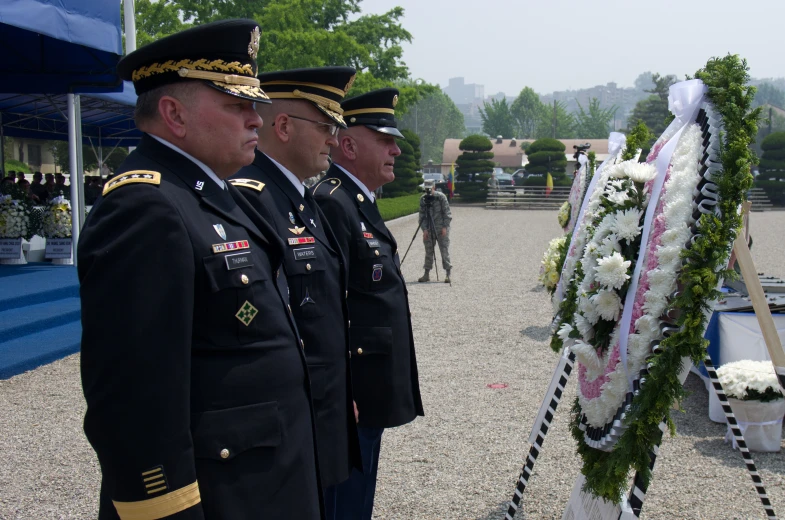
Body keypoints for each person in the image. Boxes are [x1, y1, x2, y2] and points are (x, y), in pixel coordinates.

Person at [77, 20, 323, 520]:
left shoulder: (207, 195)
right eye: (237, 105)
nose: (256, 119)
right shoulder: (147, 208)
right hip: (219, 497)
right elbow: (132, 399)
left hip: (260, 483)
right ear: (174, 113)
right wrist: (165, 508)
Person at [229, 66, 362, 514]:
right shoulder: (255, 197)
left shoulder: (298, 198)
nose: (333, 138)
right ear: (283, 127)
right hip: (292, 420)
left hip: (320, 409)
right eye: (325, 125)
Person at [311, 88, 424, 520]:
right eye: (384, 139)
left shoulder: (356, 201)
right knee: (343, 503)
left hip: (367, 385)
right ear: (349, 143)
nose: (396, 148)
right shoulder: (332, 203)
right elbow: (324, 305)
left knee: (357, 500)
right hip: (354, 387)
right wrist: (341, 387)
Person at [417, 179, 452, 283]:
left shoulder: (441, 197)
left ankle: (448, 274)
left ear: (434, 187)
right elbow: (421, 216)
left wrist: (445, 227)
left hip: (441, 228)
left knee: (444, 250)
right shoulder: (423, 199)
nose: (428, 191)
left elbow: (447, 213)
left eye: (430, 188)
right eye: (426, 189)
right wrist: (424, 230)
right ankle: (426, 274)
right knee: (428, 251)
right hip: (429, 229)